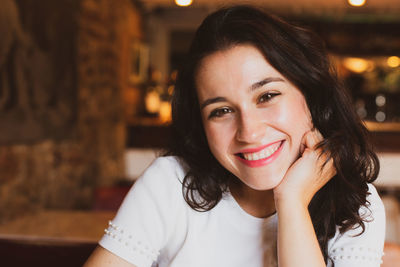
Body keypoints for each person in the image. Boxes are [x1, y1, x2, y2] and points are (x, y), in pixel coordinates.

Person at [84, 5, 385, 267]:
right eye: (221, 111)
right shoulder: (171, 183)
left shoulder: (357, 204)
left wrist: (292, 202)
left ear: (311, 96)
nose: (249, 131)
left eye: (267, 95)